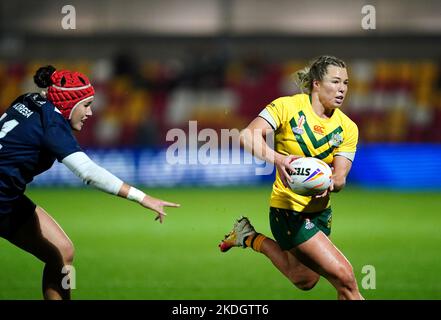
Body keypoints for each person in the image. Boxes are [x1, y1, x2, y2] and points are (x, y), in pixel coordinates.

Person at [0, 65, 180, 300]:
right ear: (68, 104)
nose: (90, 113)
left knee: (63, 252)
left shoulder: (30, 99)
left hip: (8, 199)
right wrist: (143, 198)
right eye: (86, 105)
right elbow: (88, 172)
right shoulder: (52, 124)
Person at [219, 55, 363, 300]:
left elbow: (340, 178)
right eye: (336, 82)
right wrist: (278, 158)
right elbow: (246, 136)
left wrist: (330, 183)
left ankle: (249, 237)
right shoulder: (287, 107)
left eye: (346, 83)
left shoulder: (348, 128)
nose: (342, 89)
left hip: (320, 213)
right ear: (316, 83)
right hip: (288, 212)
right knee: (346, 279)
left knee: (304, 280)